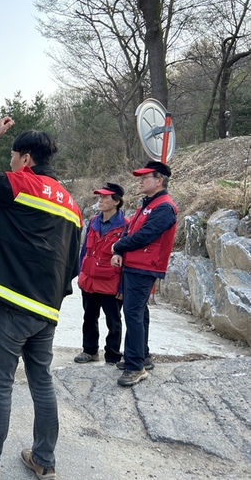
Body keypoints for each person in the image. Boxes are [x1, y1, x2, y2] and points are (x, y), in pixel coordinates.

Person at [0, 118, 82, 480]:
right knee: (42, 381)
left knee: (0, 382)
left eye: (12, 157)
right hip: (47, 308)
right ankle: (44, 460)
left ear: (25, 158)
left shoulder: (22, 184)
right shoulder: (72, 204)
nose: (10, 163)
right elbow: (74, 262)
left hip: (14, 304)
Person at [111, 160, 177, 387]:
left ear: (159, 181)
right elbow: (131, 230)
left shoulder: (164, 207)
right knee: (139, 312)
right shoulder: (148, 204)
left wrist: (119, 247)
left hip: (145, 267)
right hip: (136, 265)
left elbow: (146, 235)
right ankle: (142, 356)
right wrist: (121, 249)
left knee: (133, 314)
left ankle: (134, 366)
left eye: (145, 178)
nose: (140, 181)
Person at [74, 183, 127, 366]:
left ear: (117, 201)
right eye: (100, 197)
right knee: (89, 317)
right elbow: (84, 251)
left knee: (113, 321)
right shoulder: (94, 222)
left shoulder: (125, 226)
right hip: (89, 281)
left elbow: (127, 260)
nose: (101, 200)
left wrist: (122, 287)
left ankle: (112, 354)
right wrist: (81, 273)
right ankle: (89, 350)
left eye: (105, 197)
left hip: (111, 283)